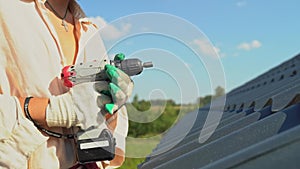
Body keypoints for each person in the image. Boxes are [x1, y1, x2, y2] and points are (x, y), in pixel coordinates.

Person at [0, 0, 133, 168]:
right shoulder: (6, 10)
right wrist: (53, 110)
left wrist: (111, 109)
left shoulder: (90, 31)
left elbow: (107, 128)